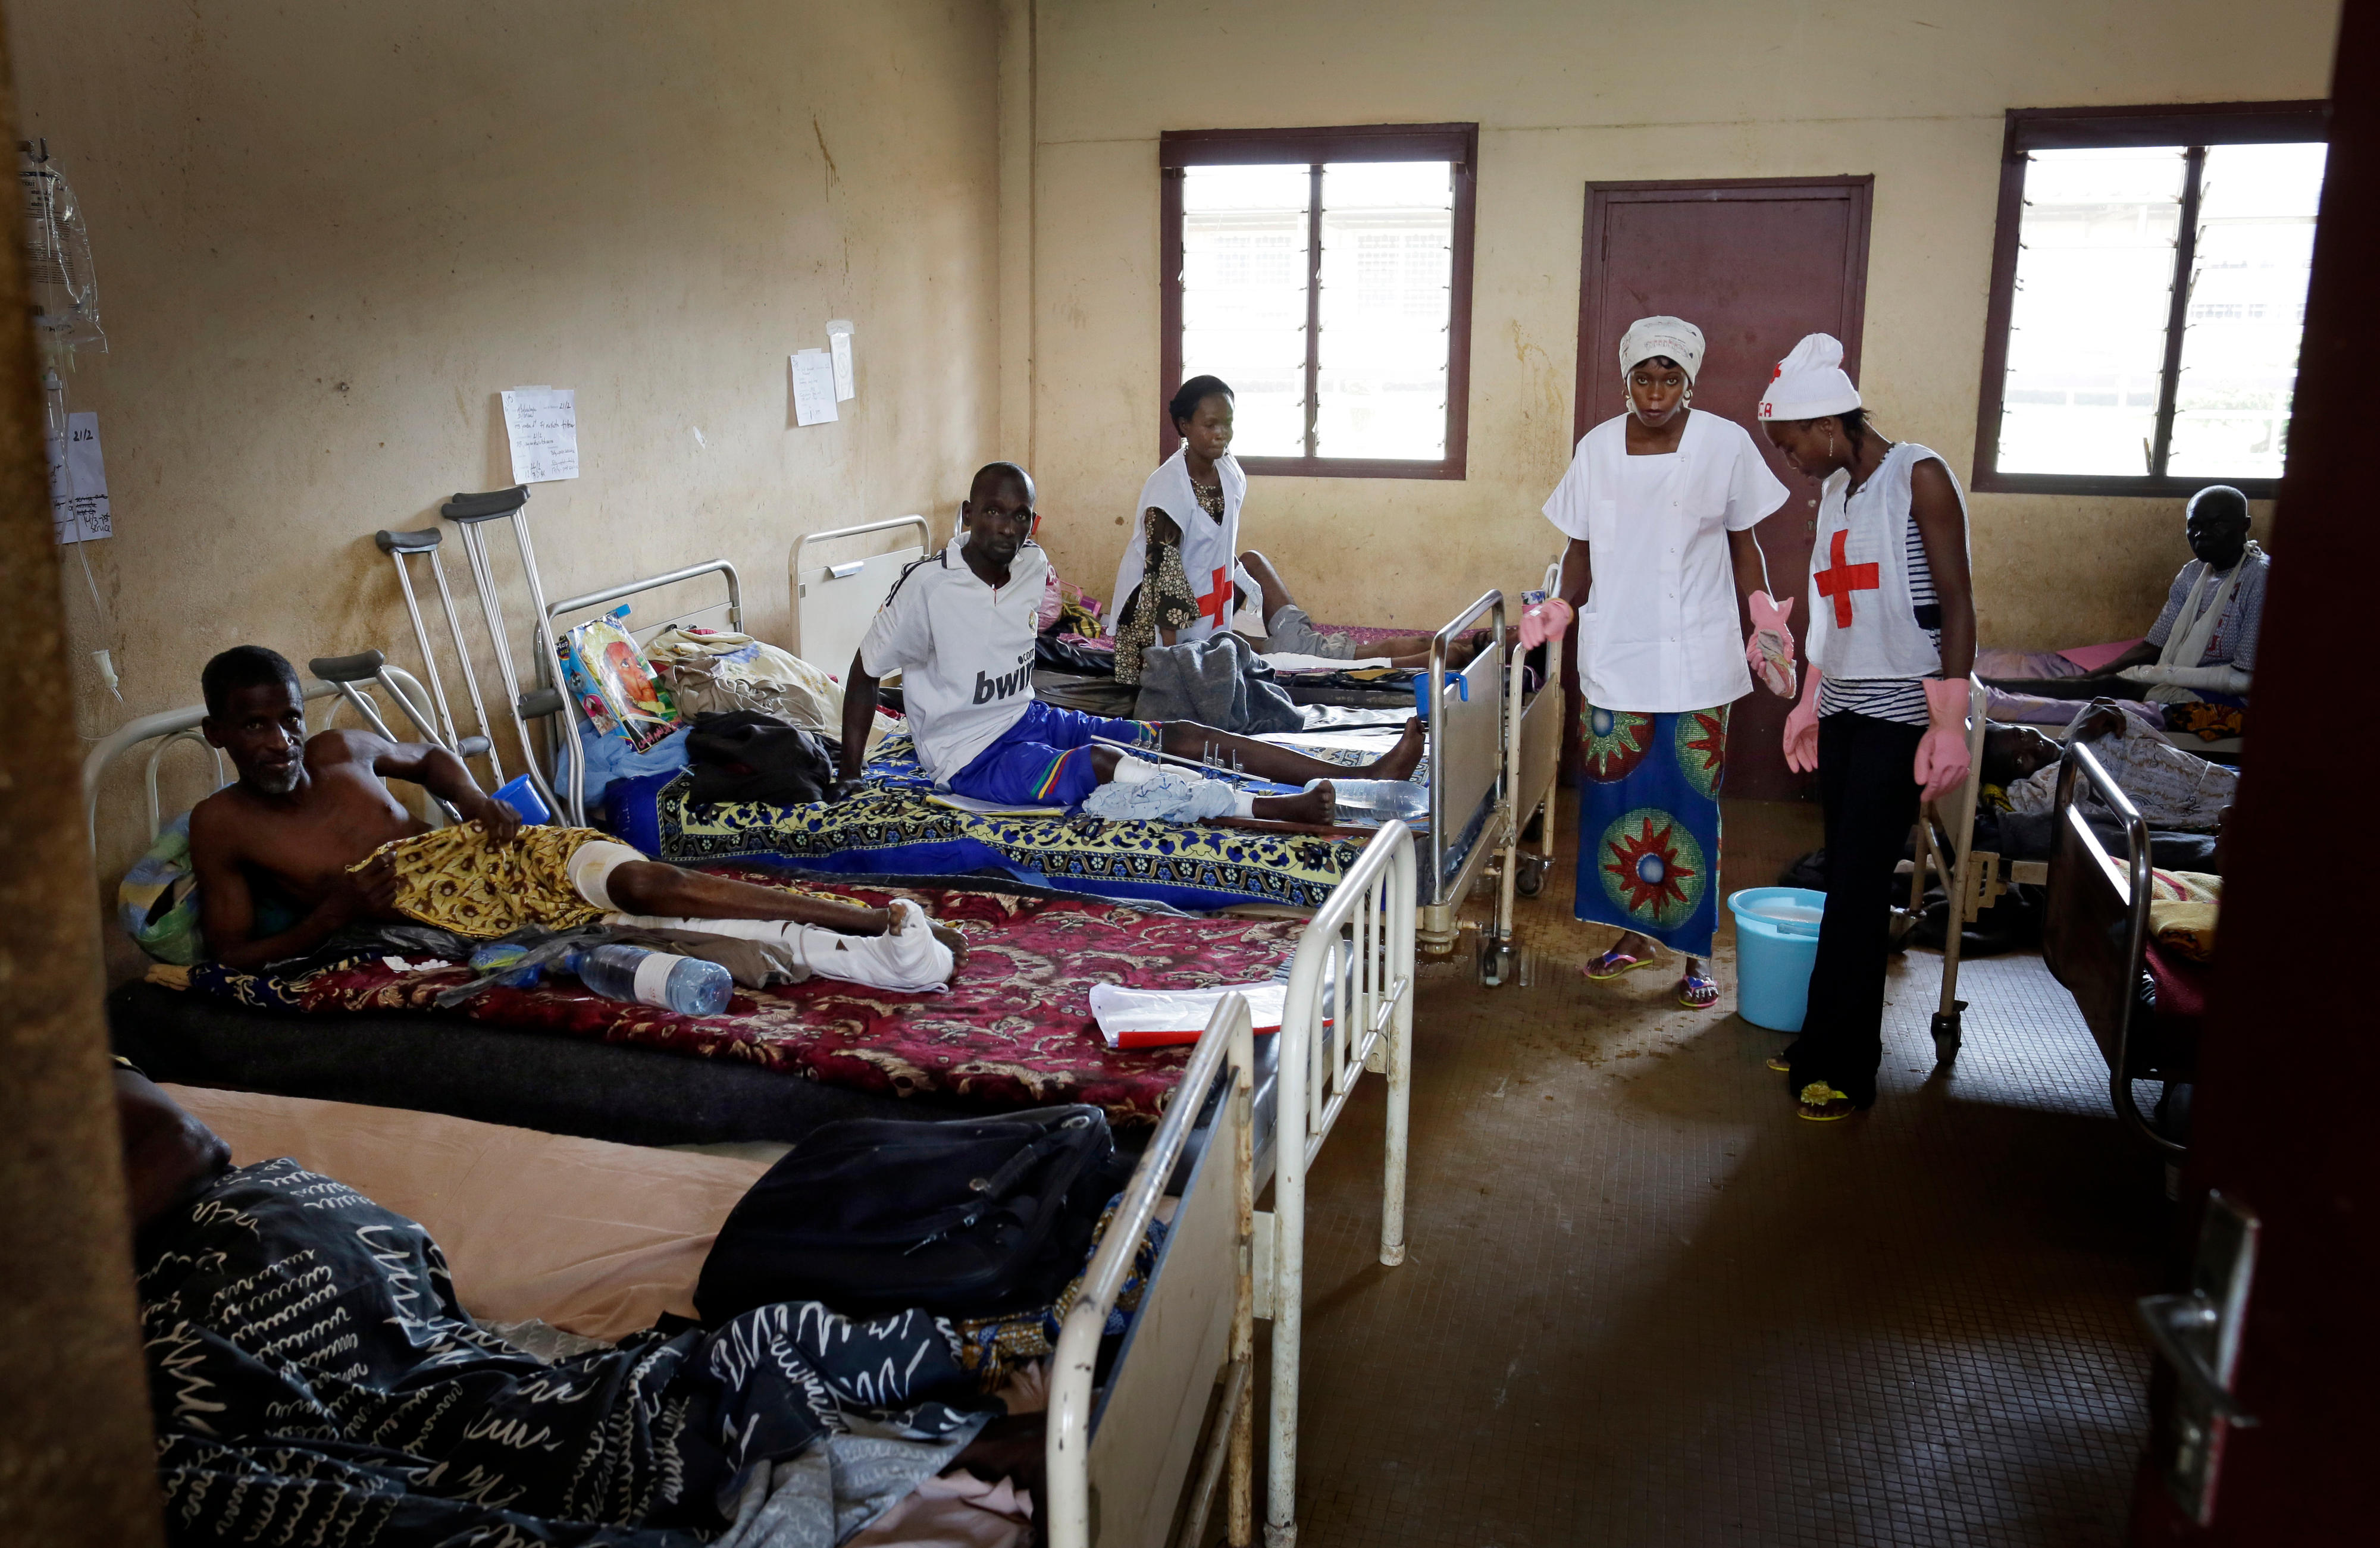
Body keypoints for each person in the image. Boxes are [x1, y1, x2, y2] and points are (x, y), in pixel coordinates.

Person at [114, 1061, 1038, 1544]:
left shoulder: (42, 1066)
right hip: (241, 1263)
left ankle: (954, 1428)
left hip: (252, 1242)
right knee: (485, 1409)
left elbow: (182, 1145)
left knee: (457, 1415)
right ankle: (960, 1431)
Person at [187, 645, 958, 986]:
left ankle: (856, 917)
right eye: (254, 727)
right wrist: (336, 913)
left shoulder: (335, 748)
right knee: (646, 917)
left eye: (288, 718)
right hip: (454, 909)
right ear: (216, 733)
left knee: (651, 881)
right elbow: (229, 956)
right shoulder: (222, 824)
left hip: (493, 850)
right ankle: (848, 932)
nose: (281, 740)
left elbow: (427, 760)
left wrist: (477, 801)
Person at [839, 461, 1424, 822]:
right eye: (993, 511)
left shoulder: (1030, 565)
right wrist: (849, 770)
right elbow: (865, 673)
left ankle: (1369, 778)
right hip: (969, 759)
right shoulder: (927, 588)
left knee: (1181, 736)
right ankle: (1266, 807)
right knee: (1105, 764)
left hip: (1027, 718)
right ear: (968, 514)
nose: (1007, 527)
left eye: (1021, 517)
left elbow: (1036, 624)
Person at [1523, 316, 1794, 1010]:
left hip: (1698, 659)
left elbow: (1742, 543)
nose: (1654, 390)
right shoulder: (1597, 450)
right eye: (1643, 376)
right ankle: (1629, 937)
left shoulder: (1723, 444)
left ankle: (1695, 952)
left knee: (1690, 808)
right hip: (1617, 655)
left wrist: (1760, 610)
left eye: (1668, 376)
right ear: (1626, 381)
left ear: (1689, 381)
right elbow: (1579, 548)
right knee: (1618, 809)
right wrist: (1560, 604)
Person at [1761, 334, 1977, 1121]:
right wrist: (1811, 698)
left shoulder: (1918, 476)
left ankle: (1846, 1066)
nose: (1792, 461)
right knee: (1840, 881)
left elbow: (1955, 601)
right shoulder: (1842, 492)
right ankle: (1825, 1032)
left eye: (1791, 447)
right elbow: (1833, 609)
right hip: (1849, 705)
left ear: (1827, 423)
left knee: (1855, 888)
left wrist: (1947, 722)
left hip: (1900, 713)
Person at [1108, 377, 1455, 682]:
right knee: (1176, 679)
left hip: (1205, 613)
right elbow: (1162, 577)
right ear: (1184, 425)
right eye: (1210, 424)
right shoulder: (1168, 491)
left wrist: (1241, 584)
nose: (1221, 434)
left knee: (1228, 650)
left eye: (1228, 423)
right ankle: (1454, 653)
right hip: (1155, 619)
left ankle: (1457, 651)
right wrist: (1172, 663)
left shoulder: (1229, 472)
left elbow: (1214, 543)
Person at [1978, 484, 2266, 705]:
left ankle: (1991, 684)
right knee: (2101, 683)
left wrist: (2153, 676)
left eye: (2215, 524)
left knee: (2107, 689)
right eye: (2194, 526)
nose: (2201, 535)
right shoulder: (2192, 574)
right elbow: (2153, 646)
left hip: (2231, 702)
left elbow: (2243, 681)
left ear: (2245, 525)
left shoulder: (2260, 578)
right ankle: (1991, 684)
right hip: (2184, 680)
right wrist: (2094, 675)